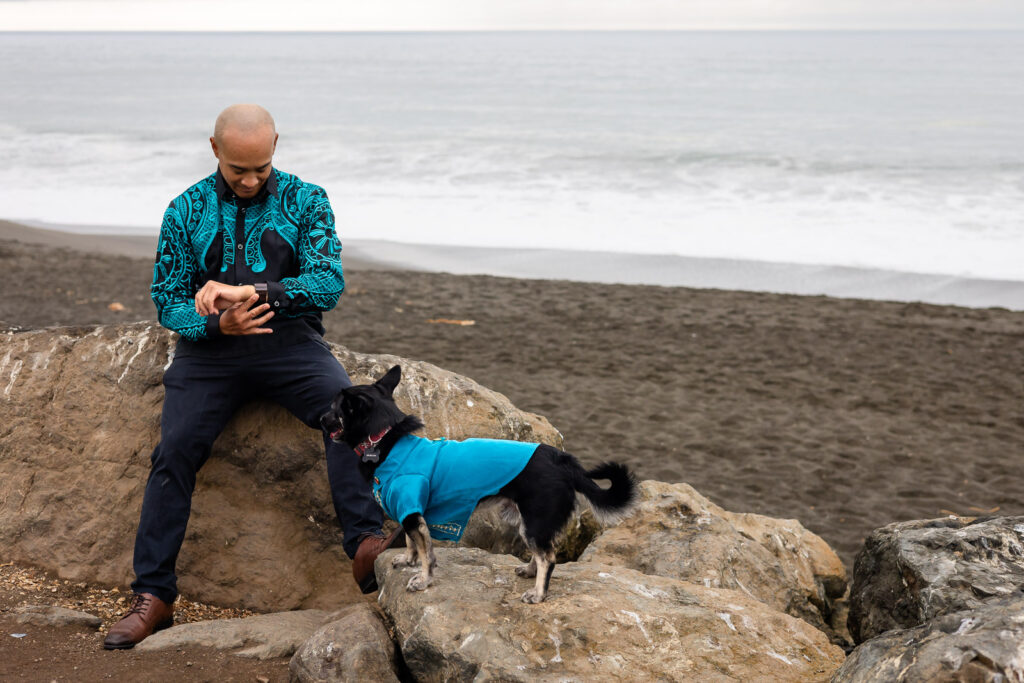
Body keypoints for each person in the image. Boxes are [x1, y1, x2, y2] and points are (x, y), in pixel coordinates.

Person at [103, 104, 403, 650]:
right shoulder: (185, 208)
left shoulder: (305, 199)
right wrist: (217, 323)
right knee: (174, 451)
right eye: (238, 168)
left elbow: (327, 282)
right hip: (208, 351)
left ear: (276, 148)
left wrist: (254, 294)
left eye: (260, 168)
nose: (249, 179)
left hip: (290, 343)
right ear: (215, 149)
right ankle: (154, 595)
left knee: (348, 411)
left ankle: (364, 545)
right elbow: (167, 302)